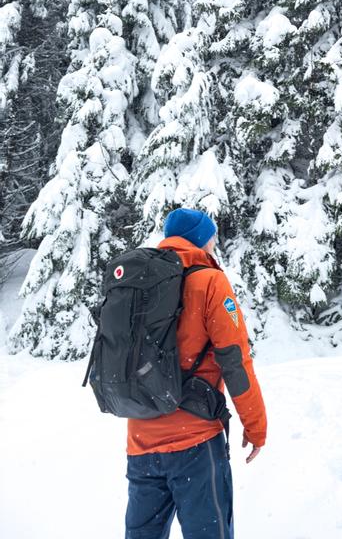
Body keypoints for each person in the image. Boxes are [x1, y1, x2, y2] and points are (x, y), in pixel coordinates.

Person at [125, 207, 267, 539]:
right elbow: (235, 360)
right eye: (212, 239)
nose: (214, 245)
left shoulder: (138, 283)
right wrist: (256, 426)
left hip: (141, 441)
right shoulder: (209, 281)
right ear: (200, 241)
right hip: (195, 442)